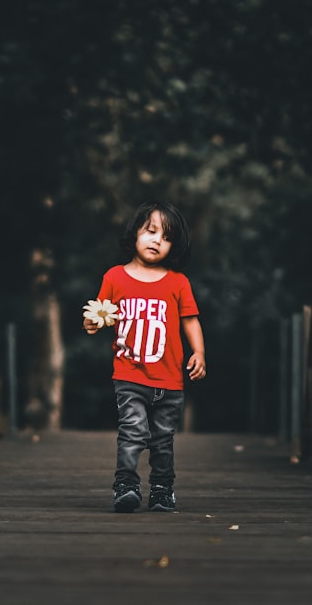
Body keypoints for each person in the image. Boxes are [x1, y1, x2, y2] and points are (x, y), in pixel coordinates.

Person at [83, 200, 206, 513]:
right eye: (151, 231)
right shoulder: (114, 277)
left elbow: (190, 320)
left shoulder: (178, 282)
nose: (156, 240)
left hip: (169, 379)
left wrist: (199, 352)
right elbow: (98, 312)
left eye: (166, 238)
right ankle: (125, 485)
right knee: (132, 432)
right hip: (129, 375)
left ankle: (163, 490)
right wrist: (93, 322)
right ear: (135, 233)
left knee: (162, 439)